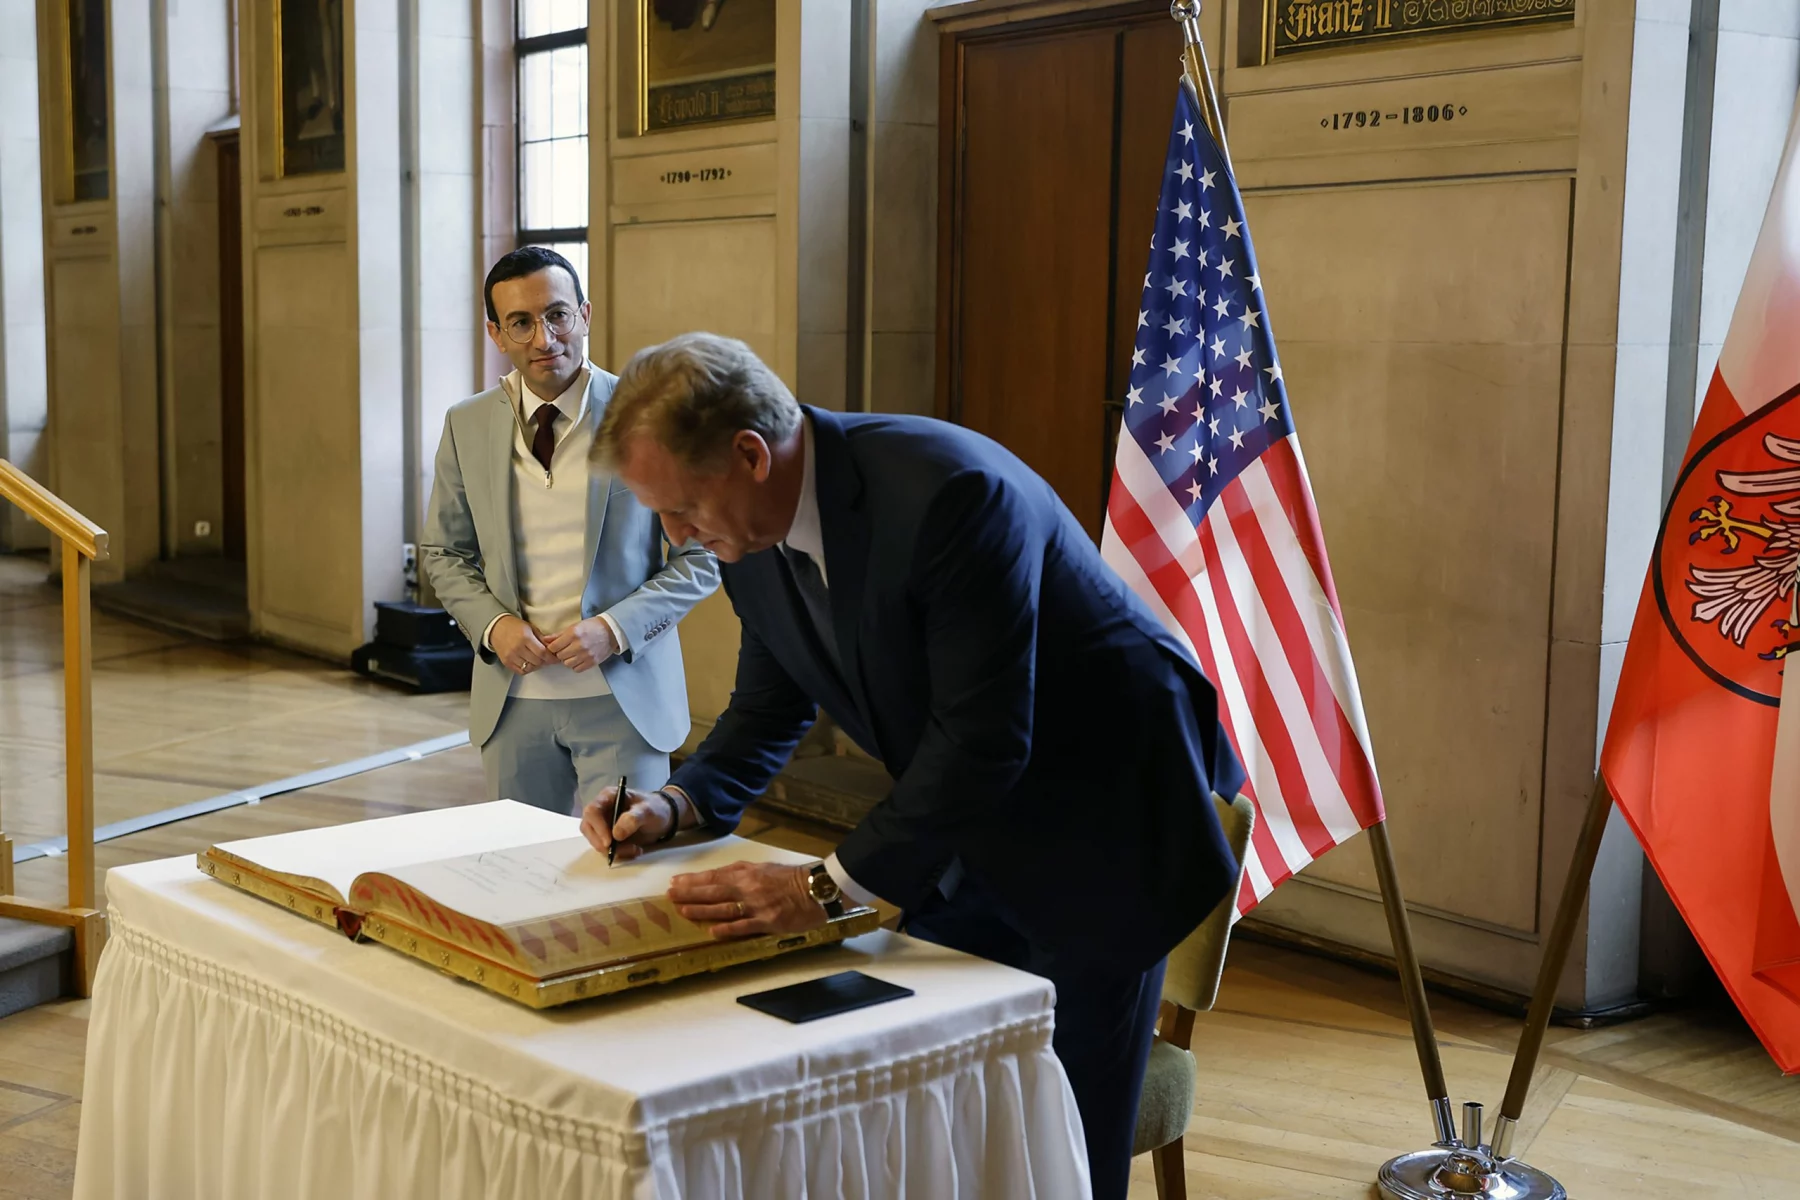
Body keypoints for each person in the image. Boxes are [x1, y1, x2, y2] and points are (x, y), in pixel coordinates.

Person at [580, 332, 1244, 1198]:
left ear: (749, 454)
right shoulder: (747, 535)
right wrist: (675, 803)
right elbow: (770, 708)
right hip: (962, 828)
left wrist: (822, 890)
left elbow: (983, 740)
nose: (677, 535)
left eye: (679, 509)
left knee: (1065, 1143)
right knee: (926, 1102)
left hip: (1104, 826)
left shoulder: (947, 494)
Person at [421, 249, 719, 813]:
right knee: (519, 861)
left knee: (625, 856)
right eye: (521, 322)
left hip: (626, 699)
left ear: (584, 315)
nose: (545, 338)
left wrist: (615, 629)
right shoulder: (466, 423)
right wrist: (493, 626)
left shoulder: (651, 417)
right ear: (495, 333)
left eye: (557, 315)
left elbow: (703, 555)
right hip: (512, 703)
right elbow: (443, 551)